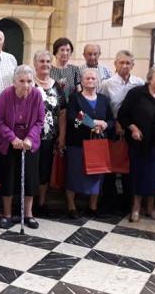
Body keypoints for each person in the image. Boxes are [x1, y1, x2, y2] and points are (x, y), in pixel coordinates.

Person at [118, 65, 155, 222]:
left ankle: (151, 208)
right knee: (138, 175)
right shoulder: (136, 94)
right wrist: (134, 128)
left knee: (153, 176)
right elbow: (123, 115)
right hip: (139, 143)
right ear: (150, 77)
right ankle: (136, 208)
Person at [0, 65, 44, 229]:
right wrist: (12, 138)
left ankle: (28, 214)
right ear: (14, 82)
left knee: (29, 178)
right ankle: (7, 214)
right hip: (8, 141)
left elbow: (39, 121)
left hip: (30, 142)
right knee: (7, 178)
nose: (26, 85)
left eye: (29, 81)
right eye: (22, 81)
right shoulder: (6, 95)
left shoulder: (37, 95)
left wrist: (30, 138)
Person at [98, 50, 144, 214]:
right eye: (121, 63)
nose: (125, 66)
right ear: (115, 64)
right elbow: (102, 106)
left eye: (128, 63)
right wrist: (114, 122)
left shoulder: (139, 83)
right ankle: (109, 203)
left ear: (132, 65)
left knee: (129, 168)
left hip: (132, 130)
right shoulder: (107, 84)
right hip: (112, 129)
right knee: (110, 168)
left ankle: (127, 203)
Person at [65, 68, 114, 218]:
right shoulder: (75, 98)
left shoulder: (103, 99)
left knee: (97, 175)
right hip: (78, 143)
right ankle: (71, 207)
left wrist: (105, 125)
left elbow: (111, 119)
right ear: (82, 81)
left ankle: (93, 206)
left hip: (97, 144)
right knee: (74, 174)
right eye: (87, 78)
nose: (91, 81)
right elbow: (73, 118)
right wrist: (92, 122)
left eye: (93, 78)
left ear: (98, 81)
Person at [32, 50, 66, 216]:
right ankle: (28, 204)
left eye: (47, 61)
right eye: (41, 61)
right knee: (31, 169)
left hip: (49, 137)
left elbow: (62, 113)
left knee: (44, 169)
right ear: (35, 64)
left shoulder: (57, 85)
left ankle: (42, 202)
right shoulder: (29, 83)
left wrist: (62, 136)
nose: (45, 64)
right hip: (30, 136)